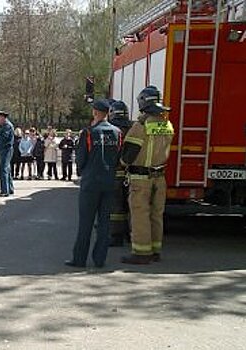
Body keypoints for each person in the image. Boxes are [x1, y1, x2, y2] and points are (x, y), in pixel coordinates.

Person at [121, 86, 174, 265]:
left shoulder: (141, 125)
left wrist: (121, 164)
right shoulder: (167, 124)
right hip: (160, 177)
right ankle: (155, 250)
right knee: (156, 214)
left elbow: (128, 155)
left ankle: (141, 253)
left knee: (140, 214)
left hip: (141, 179)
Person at [65, 99, 121, 268]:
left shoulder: (88, 133)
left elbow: (81, 158)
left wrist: (82, 172)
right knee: (104, 222)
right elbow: (118, 156)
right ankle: (100, 259)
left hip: (91, 182)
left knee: (86, 222)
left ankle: (79, 259)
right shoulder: (117, 132)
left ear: (95, 113)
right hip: (109, 181)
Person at [108, 100, 134, 247]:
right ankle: (131, 235)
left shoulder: (110, 129)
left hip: (116, 173)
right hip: (134, 174)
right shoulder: (134, 127)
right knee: (132, 207)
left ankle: (116, 236)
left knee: (116, 207)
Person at [0, 111, 14, 197]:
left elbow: (5, 137)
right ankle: (10, 188)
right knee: (7, 169)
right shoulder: (5, 125)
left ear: (2, 118)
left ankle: (4, 190)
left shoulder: (6, 126)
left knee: (3, 169)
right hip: (4, 150)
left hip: (6, 149)